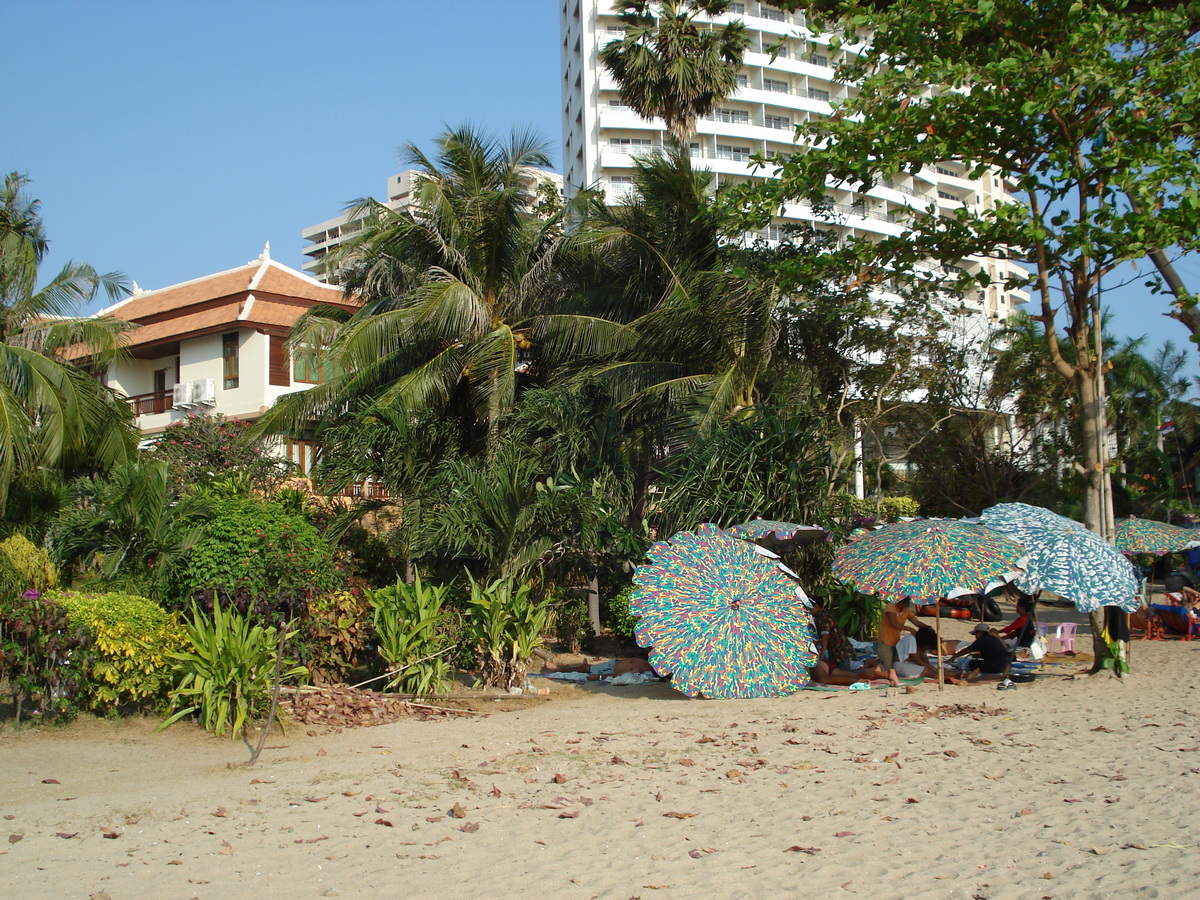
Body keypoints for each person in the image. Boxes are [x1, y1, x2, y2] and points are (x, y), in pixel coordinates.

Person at [877, 596, 924, 686]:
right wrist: (909, 629)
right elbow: (894, 623)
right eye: (902, 604)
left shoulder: (905, 610)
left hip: (896, 641)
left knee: (894, 664)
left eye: (905, 605)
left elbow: (916, 622)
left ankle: (873, 663)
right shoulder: (890, 607)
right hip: (885, 640)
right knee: (888, 668)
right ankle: (872, 665)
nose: (903, 607)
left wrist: (928, 628)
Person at [543, 657, 654, 680]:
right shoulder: (646, 661)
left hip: (609, 670)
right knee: (585, 668)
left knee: (584, 669)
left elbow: (618, 675)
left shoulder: (639, 670)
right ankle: (558, 668)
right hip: (612, 663)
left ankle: (557, 669)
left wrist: (598, 677)